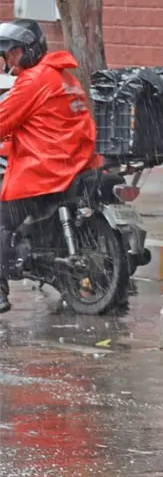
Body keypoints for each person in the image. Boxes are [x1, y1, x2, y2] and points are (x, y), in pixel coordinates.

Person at [0, 19, 100, 314]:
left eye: (14, 53)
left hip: (45, 169)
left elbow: (4, 119)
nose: (10, 61)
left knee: (2, 219)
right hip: (77, 162)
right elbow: (45, 124)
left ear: (29, 51)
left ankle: (0, 292)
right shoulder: (64, 76)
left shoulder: (33, 80)